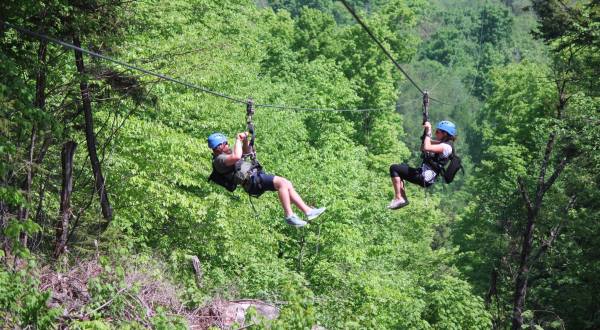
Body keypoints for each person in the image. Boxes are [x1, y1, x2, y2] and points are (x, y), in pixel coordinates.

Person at [208, 132, 326, 227]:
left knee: (287, 184)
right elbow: (237, 156)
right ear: (218, 147)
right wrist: (237, 140)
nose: (228, 145)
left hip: (255, 177)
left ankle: (308, 211)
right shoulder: (219, 160)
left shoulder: (225, 156)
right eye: (226, 143)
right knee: (282, 183)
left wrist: (244, 141)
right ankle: (289, 215)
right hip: (252, 181)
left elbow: (247, 152)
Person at [388, 120, 457, 209]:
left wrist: (428, 131)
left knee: (394, 168)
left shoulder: (446, 147)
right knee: (400, 168)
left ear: (445, 134)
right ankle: (403, 198)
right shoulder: (443, 144)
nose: (436, 133)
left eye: (437, 131)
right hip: (423, 174)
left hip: (424, 177)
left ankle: (399, 198)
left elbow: (426, 147)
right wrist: (425, 133)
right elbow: (423, 147)